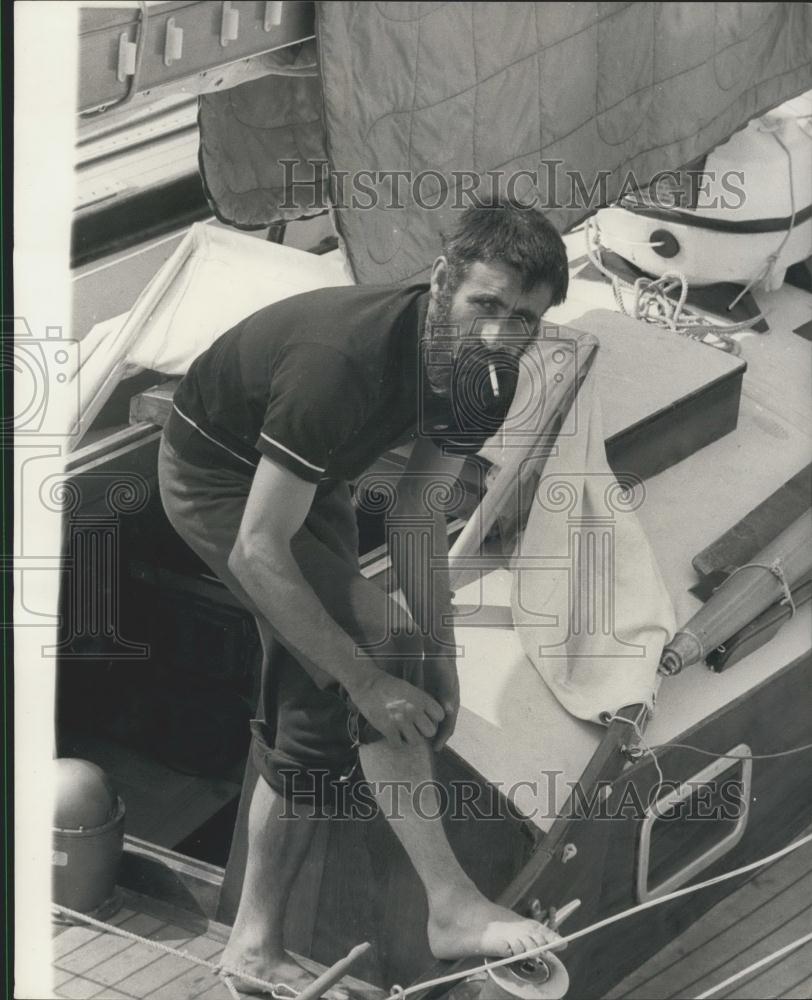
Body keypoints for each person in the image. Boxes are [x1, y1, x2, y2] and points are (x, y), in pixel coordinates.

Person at [158, 198, 569, 995]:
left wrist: (442, 660)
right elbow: (256, 545)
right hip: (214, 475)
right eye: (485, 304)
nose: (498, 333)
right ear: (444, 279)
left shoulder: (488, 375)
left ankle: (252, 948)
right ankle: (450, 907)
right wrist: (371, 679)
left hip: (314, 479)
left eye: (523, 318)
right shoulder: (340, 361)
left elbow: (417, 516)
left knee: (332, 697)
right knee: (370, 656)